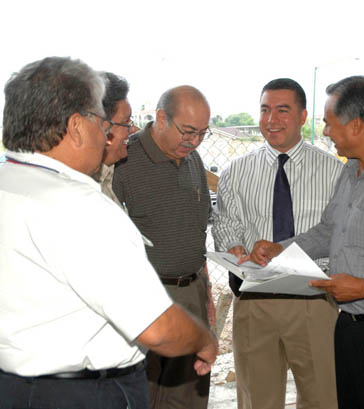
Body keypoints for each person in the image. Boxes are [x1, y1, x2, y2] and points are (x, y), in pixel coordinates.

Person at [0, 56, 217, 409]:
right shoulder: (82, 207)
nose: (117, 134)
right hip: (84, 394)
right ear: (76, 126)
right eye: (105, 123)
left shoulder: (9, 184)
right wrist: (204, 339)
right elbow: (157, 328)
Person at [247, 75, 364, 409]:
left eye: (328, 123)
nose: (325, 132)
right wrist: (282, 248)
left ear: (356, 126)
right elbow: (328, 230)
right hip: (348, 327)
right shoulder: (352, 169)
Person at [212, 78, 343, 409]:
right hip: (256, 301)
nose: (272, 120)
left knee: (322, 398)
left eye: (282, 110)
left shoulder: (333, 172)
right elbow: (227, 225)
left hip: (315, 301)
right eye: (265, 110)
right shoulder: (236, 172)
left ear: (302, 116)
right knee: (257, 400)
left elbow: (340, 233)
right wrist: (235, 248)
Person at [113, 85, 216, 409]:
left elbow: (197, 232)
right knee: (142, 395)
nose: (194, 141)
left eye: (202, 133)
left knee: (188, 397)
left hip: (192, 293)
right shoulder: (122, 160)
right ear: (160, 118)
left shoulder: (193, 161)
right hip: (146, 300)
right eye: (187, 131)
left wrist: (207, 291)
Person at [92, 72, 139, 207]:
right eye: (126, 122)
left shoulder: (108, 179)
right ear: (101, 126)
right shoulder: (79, 192)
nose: (134, 129)